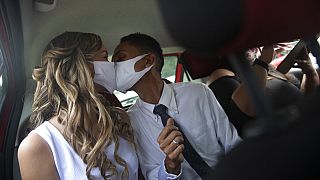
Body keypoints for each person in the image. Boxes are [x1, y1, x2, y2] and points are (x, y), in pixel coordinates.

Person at [112, 33, 241, 179]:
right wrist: (169, 167)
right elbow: (151, 175)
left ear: (148, 61)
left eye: (120, 58)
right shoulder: (130, 122)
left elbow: (232, 144)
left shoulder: (197, 93)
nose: (114, 66)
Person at [18, 31, 139, 179]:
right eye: (104, 56)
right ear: (82, 66)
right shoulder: (38, 146)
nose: (112, 65)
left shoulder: (121, 118)